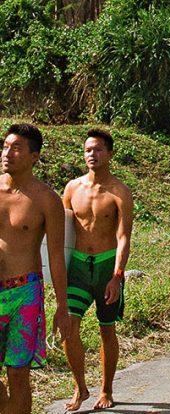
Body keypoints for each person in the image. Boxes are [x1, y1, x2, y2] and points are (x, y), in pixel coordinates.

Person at [0, 123, 70, 414]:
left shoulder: (46, 200)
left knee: (18, 375)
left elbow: (55, 256)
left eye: (16, 148)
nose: (7, 153)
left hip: (24, 294)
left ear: (34, 157)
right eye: (5, 146)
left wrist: (62, 308)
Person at [62, 128, 133, 411]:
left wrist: (117, 276)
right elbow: (62, 233)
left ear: (110, 154)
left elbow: (123, 237)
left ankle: (106, 390)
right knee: (69, 328)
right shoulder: (72, 188)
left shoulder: (119, 192)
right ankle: (80, 387)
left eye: (99, 149)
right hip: (77, 267)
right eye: (89, 149)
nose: (93, 154)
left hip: (106, 267)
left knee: (107, 329)